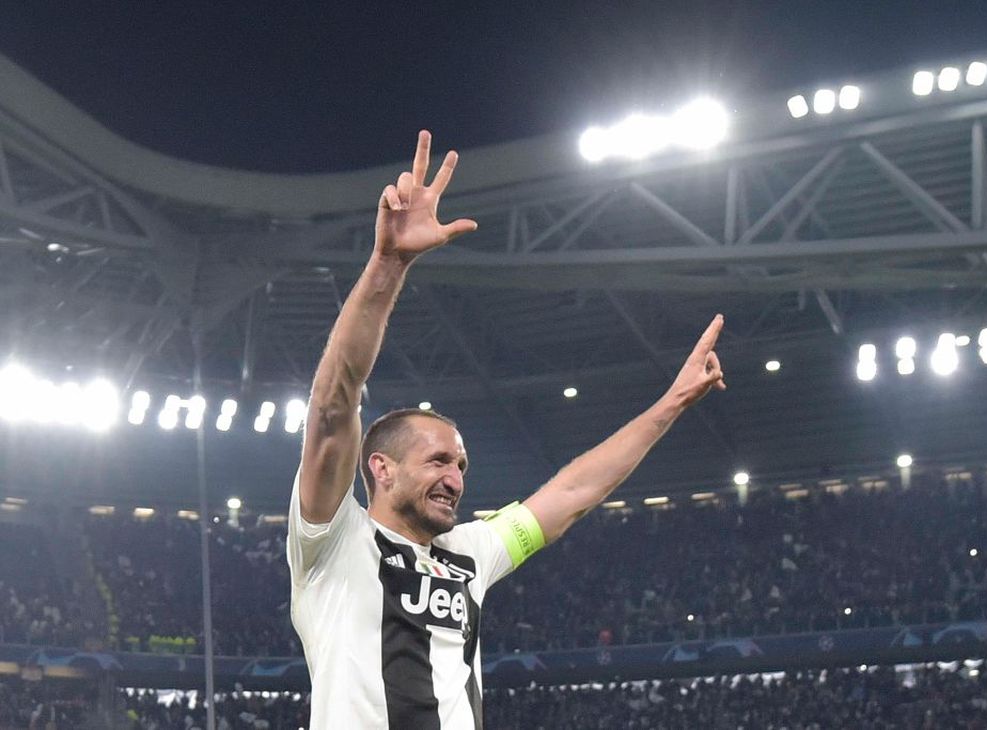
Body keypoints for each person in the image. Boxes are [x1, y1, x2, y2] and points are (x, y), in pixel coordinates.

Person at [287, 130, 727, 729]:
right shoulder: (334, 543)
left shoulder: (470, 554)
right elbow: (334, 404)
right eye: (438, 460)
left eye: (461, 465)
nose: (455, 478)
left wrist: (671, 403)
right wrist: (388, 265)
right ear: (381, 468)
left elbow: (572, 493)